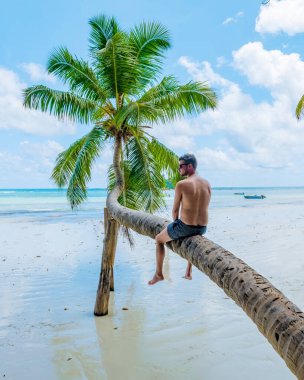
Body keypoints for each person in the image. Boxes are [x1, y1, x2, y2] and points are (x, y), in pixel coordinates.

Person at [148, 153, 211, 285]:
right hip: (202, 228)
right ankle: (188, 271)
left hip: (186, 227)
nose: (179, 169)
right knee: (193, 236)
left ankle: (159, 274)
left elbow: (175, 210)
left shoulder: (182, 184)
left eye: (181, 166)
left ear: (190, 166)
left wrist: (175, 223)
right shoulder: (207, 184)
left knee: (159, 239)